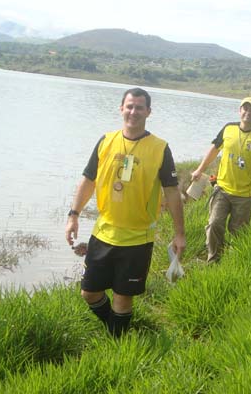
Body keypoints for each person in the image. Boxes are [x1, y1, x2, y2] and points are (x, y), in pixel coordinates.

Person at [65, 87, 186, 337]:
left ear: (148, 112)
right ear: (121, 108)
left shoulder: (160, 148)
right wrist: (73, 214)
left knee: (123, 299)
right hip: (104, 233)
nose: (133, 111)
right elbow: (88, 180)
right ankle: (116, 330)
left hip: (137, 239)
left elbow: (172, 192)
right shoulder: (106, 141)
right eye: (129, 106)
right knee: (89, 293)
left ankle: (116, 345)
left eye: (139, 107)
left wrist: (179, 234)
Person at [191, 97, 251, 263]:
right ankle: (214, 261)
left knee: (239, 232)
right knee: (214, 224)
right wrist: (199, 170)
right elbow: (213, 150)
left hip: (245, 195)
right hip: (222, 190)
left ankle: (237, 262)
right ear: (240, 111)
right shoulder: (228, 129)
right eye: (244, 108)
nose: (247, 112)